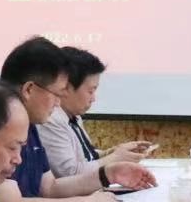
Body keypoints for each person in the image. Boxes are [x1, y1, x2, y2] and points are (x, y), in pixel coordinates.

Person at [0, 37, 156, 202]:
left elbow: (50, 188)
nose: (58, 103)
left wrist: (109, 174)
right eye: (57, 94)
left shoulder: (31, 125)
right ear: (29, 90)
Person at [37, 46, 156, 179]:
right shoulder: (50, 120)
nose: (93, 98)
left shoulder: (74, 116)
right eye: (90, 91)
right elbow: (70, 173)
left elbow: (87, 157)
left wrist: (113, 152)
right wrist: (116, 157)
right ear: (66, 88)